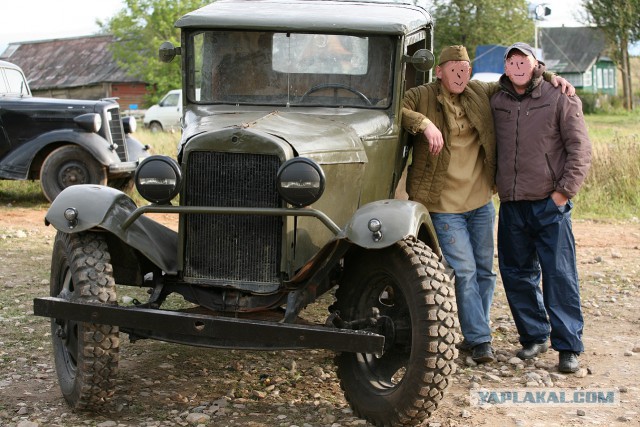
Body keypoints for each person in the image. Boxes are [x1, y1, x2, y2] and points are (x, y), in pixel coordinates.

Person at [401, 45, 573, 364]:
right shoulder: (422, 95)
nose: (460, 75)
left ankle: (473, 334)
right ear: (439, 71)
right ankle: (480, 339)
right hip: (443, 204)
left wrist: (550, 75)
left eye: (465, 69)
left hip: (481, 202)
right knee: (464, 270)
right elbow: (398, 108)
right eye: (453, 68)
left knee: (484, 271)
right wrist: (425, 125)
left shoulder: (480, 91)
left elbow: (517, 79)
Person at [490, 42, 591, 373]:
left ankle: (568, 346)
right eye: (512, 61)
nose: (518, 66)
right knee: (516, 273)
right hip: (512, 204)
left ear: (536, 64)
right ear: (505, 67)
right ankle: (534, 336)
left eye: (524, 60)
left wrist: (563, 194)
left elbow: (580, 149)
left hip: (550, 203)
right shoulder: (496, 98)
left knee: (559, 274)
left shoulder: (560, 95)